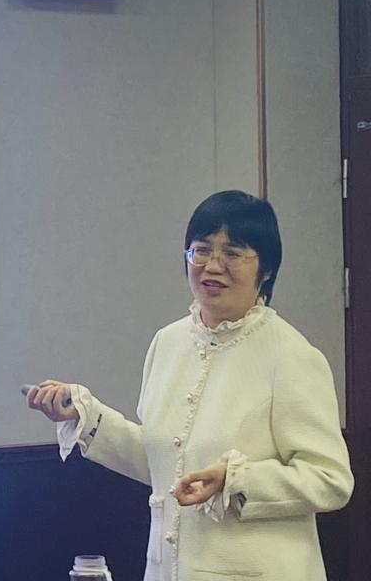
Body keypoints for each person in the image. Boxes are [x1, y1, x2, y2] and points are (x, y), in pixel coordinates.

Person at [26, 190, 353, 581]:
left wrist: (236, 480)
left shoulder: (291, 355)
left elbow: (330, 480)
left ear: (266, 269)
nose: (213, 266)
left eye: (232, 253)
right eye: (201, 250)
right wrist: (85, 418)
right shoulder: (168, 342)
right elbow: (165, 463)